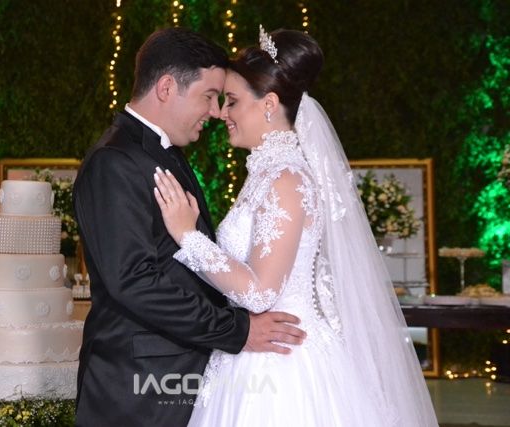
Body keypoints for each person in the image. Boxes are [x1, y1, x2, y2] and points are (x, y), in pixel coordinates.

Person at [153, 27, 439, 426]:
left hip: (284, 364)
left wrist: (188, 236)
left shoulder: (286, 179)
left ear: (269, 104)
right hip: (256, 353)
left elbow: (259, 292)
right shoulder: (267, 174)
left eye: (232, 101)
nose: (221, 113)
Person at [72, 27, 306, 427]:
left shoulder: (167, 152)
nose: (216, 112)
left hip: (182, 377)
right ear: (167, 88)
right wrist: (236, 330)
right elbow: (133, 281)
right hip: (137, 388)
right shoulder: (114, 162)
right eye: (209, 96)